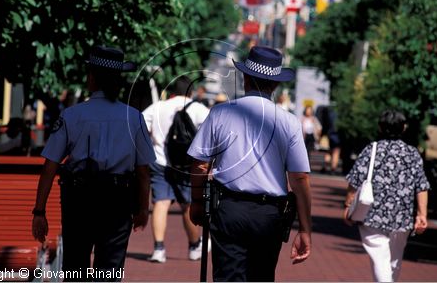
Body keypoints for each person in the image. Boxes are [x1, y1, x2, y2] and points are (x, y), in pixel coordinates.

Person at [188, 46, 312, 281]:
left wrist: (196, 201)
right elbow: (300, 178)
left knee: (227, 276)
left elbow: (200, 164)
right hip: (269, 214)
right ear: (275, 84)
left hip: (229, 209)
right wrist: (305, 228)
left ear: (245, 78)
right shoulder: (289, 123)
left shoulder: (221, 113)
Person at [32, 46, 155, 281]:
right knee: (108, 271)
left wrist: (39, 210)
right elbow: (143, 171)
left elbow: (50, 166)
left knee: (75, 267)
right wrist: (142, 208)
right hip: (118, 200)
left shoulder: (72, 115)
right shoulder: (134, 117)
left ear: (91, 78)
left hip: (79, 198)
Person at [343, 110, 430, 282]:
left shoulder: (371, 150)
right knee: (393, 262)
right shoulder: (412, 153)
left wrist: (347, 205)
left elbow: (355, 181)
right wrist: (422, 214)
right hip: (402, 218)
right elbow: (421, 187)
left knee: (380, 260)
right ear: (404, 128)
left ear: (380, 127)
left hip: (371, 215)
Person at [142, 76, 210, 263]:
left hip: (160, 161)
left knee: (160, 203)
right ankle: (194, 246)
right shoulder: (199, 109)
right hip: (186, 164)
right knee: (188, 205)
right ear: (191, 91)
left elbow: (140, 126)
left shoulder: (157, 107)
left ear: (172, 91)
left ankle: (158, 249)